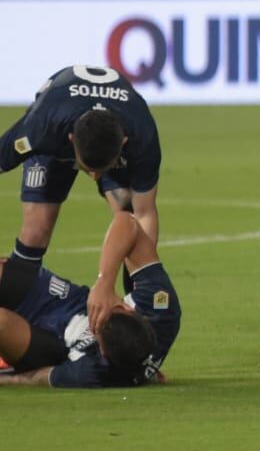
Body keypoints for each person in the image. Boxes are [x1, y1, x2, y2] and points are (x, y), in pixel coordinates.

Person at [0, 66, 161, 265]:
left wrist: (147, 277)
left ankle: (135, 295)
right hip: (57, 137)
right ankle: (17, 291)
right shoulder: (41, 129)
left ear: (124, 142)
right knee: (36, 231)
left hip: (109, 136)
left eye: (100, 170)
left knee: (131, 222)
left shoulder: (142, 134)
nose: (93, 177)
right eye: (88, 168)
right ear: (71, 139)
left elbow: (145, 213)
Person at [0, 211, 179, 388]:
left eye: (96, 322)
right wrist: (105, 283)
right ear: (130, 309)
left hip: (50, 341)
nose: (97, 312)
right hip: (61, 299)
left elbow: (36, 377)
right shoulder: (160, 311)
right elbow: (127, 222)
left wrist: (6, 380)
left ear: (103, 352)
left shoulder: (95, 371)